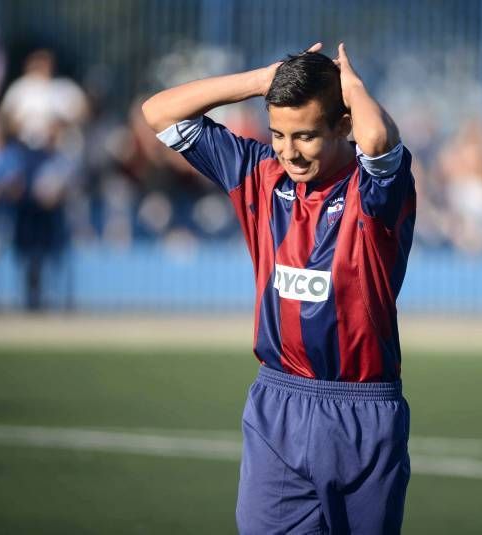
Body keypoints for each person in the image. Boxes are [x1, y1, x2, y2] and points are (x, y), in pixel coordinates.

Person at [142, 42, 415, 534]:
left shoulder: (373, 192)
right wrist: (260, 80)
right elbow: (158, 111)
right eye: (278, 134)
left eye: (306, 136)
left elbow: (377, 141)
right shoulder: (259, 174)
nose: (288, 151)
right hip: (278, 405)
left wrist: (350, 85)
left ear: (343, 124)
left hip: (363, 412)